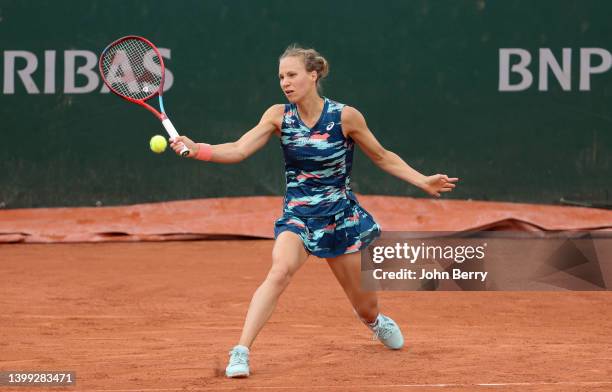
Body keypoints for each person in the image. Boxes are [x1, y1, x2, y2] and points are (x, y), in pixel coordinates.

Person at [170, 45, 458, 378]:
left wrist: (422, 180)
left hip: (341, 219)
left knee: (365, 305)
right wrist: (198, 150)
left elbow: (382, 156)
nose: (285, 83)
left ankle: (374, 322)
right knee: (279, 272)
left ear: (313, 74)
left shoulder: (345, 117)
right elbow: (238, 149)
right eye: (281, 76)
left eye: (292, 75)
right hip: (297, 216)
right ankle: (241, 351)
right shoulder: (278, 115)